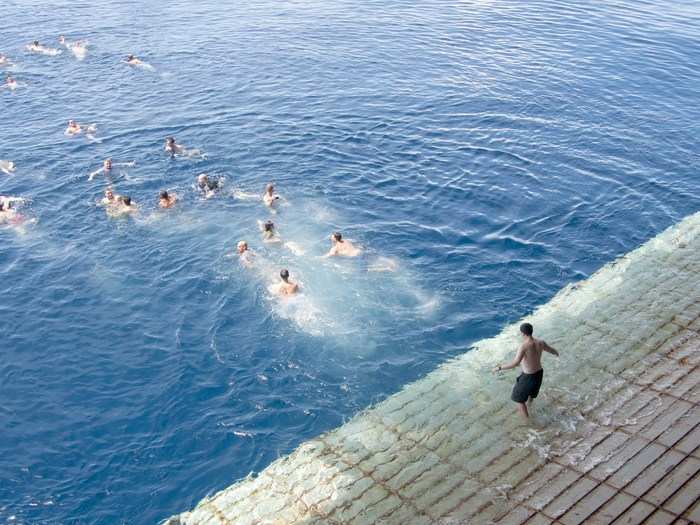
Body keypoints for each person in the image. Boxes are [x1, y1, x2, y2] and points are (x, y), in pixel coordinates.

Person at [492, 323, 559, 420]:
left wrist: (499, 368)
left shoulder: (524, 346)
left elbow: (515, 363)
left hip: (528, 376)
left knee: (518, 399)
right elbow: (552, 350)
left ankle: (528, 421)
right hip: (539, 373)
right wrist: (557, 353)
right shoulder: (541, 342)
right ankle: (530, 407)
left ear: (522, 333)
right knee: (531, 394)